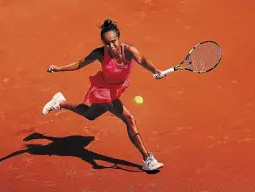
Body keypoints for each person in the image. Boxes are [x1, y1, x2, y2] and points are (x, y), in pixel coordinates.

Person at [42, 19, 166, 171]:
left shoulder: (129, 51)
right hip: (104, 90)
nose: (111, 46)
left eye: (114, 42)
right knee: (129, 118)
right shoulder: (100, 54)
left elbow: (143, 60)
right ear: (103, 42)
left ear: (119, 38)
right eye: (107, 43)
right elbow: (80, 63)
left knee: (89, 114)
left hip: (116, 89)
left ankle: (60, 102)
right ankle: (147, 158)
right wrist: (58, 68)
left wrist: (155, 71)